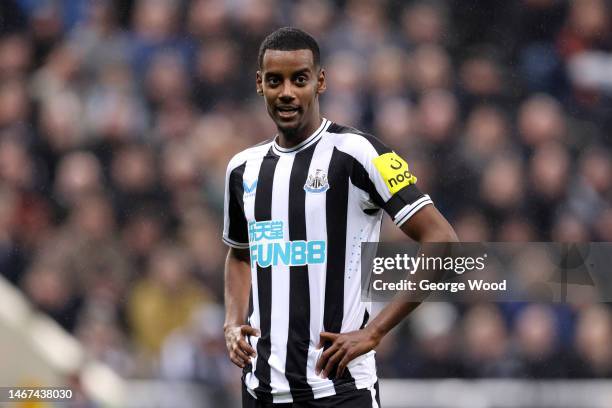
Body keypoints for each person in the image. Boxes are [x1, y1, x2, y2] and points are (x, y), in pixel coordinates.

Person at [222, 27, 457, 408]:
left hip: (341, 391)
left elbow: (442, 239)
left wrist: (376, 332)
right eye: (275, 80)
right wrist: (232, 321)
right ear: (259, 84)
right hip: (260, 391)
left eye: (299, 79)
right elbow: (239, 253)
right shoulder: (242, 169)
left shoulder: (358, 154)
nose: (287, 92)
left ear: (320, 81)